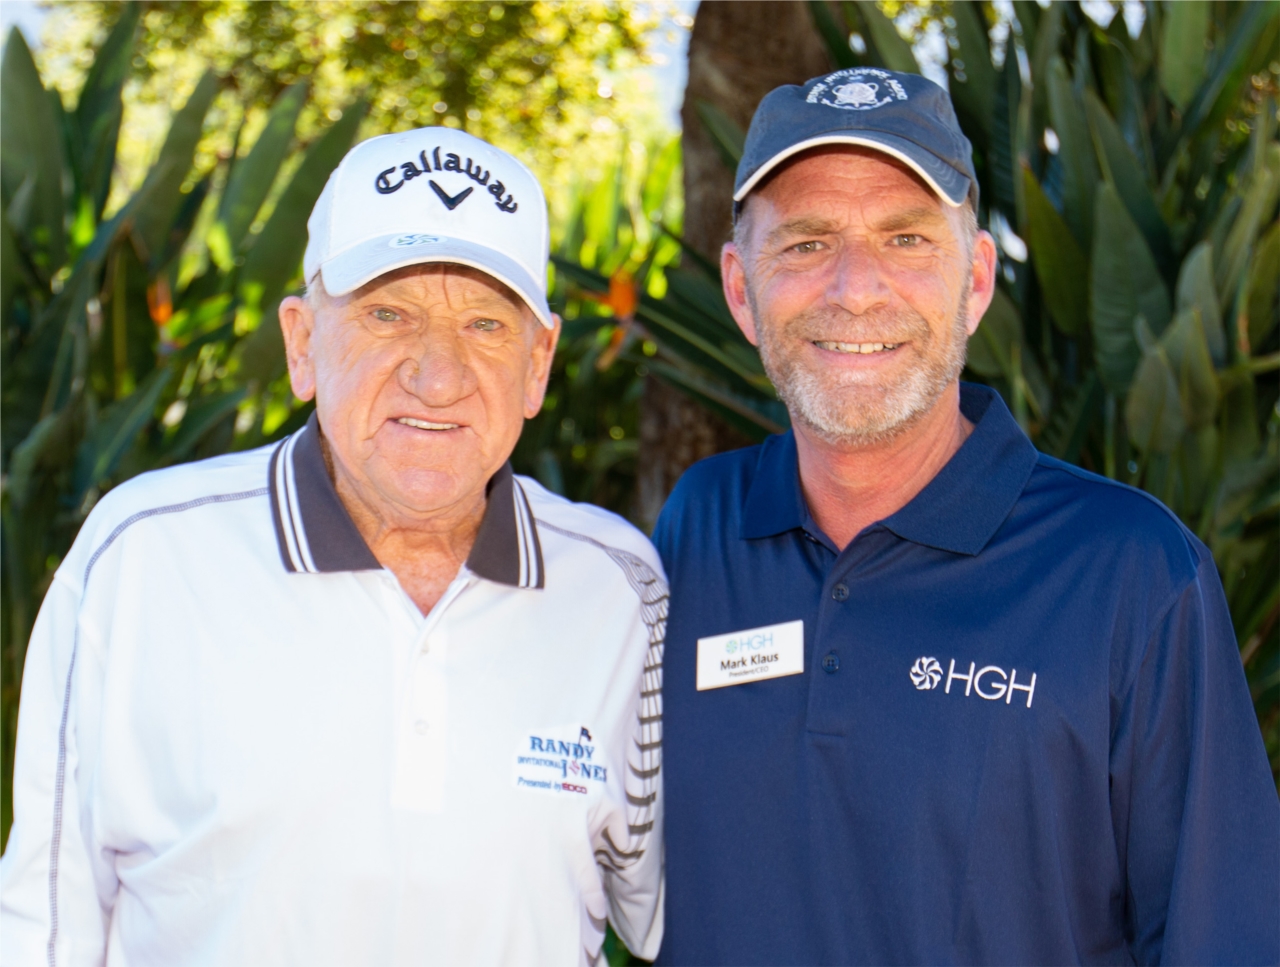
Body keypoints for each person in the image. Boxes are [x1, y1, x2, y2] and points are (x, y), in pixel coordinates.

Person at [653, 67, 1279, 966]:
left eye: (906, 238)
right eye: (805, 243)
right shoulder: (695, 529)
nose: (855, 287)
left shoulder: (1133, 574)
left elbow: (1225, 937)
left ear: (976, 281)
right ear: (741, 290)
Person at [2, 127, 665, 966]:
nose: (437, 374)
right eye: (388, 314)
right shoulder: (142, 557)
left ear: (538, 365)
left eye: (487, 324)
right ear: (302, 342)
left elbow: (675, 911)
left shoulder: (618, 588)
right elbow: (40, 925)